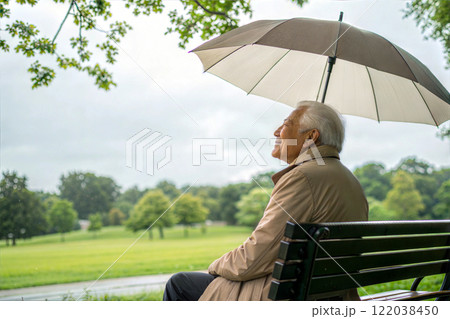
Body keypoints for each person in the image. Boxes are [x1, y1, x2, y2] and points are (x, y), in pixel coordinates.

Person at [163, 101, 368, 301]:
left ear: (311, 136)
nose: (277, 132)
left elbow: (253, 258)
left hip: (286, 297)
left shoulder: (302, 177)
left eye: (287, 124)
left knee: (179, 284)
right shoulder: (350, 180)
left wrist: (216, 266)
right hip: (333, 296)